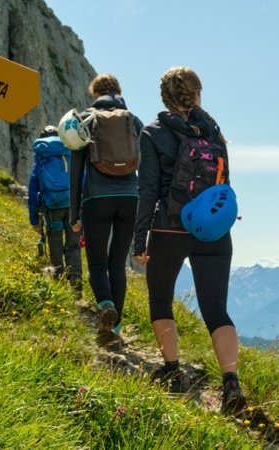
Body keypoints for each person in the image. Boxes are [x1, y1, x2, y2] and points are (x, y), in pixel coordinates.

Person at [132, 67, 246, 415]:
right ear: (197, 95)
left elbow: (148, 189)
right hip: (214, 231)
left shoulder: (152, 133)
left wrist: (140, 241)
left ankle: (172, 372)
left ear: (165, 97)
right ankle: (231, 383)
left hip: (169, 228)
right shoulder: (213, 133)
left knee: (161, 300)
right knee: (215, 309)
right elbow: (224, 184)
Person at [69, 74, 143, 350]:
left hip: (97, 198)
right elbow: (144, 160)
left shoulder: (85, 119)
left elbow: (76, 170)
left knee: (97, 263)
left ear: (95, 92)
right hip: (130, 197)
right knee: (117, 265)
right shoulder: (132, 119)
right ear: (118, 92)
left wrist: (73, 213)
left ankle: (105, 305)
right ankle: (116, 331)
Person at [28, 125, 82, 292]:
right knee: (73, 244)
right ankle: (75, 280)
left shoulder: (42, 157)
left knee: (55, 244)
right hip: (72, 205)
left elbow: (32, 189)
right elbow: (82, 179)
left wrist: (35, 220)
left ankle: (57, 282)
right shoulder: (68, 151)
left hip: (52, 207)